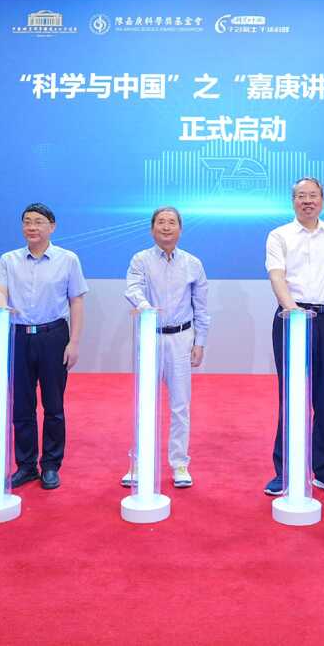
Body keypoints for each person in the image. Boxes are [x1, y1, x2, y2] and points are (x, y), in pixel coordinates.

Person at [264, 177, 324, 498]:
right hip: (292, 318)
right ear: (293, 201)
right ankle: (285, 470)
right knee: (292, 396)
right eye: (301, 196)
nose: (307, 201)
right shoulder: (279, 235)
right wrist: (293, 311)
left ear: (322, 200)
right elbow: (277, 277)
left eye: (313, 195)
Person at [0, 203, 88, 491]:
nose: (31, 227)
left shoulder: (67, 259)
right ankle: (26, 465)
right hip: (18, 335)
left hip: (53, 336)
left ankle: (51, 465)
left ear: (51, 227)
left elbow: (76, 301)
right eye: (27, 222)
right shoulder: (9, 260)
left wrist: (74, 342)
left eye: (38, 222)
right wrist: (1, 307)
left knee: (53, 405)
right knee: (22, 405)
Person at [121, 206, 210, 489]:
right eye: (161, 222)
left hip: (181, 338)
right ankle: (138, 462)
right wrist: (146, 308)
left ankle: (180, 463)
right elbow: (133, 289)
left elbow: (201, 307)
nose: (166, 227)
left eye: (172, 222)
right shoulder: (141, 260)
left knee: (180, 405)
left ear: (180, 229)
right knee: (145, 402)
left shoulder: (193, 263)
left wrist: (199, 342)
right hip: (150, 335)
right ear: (152, 229)